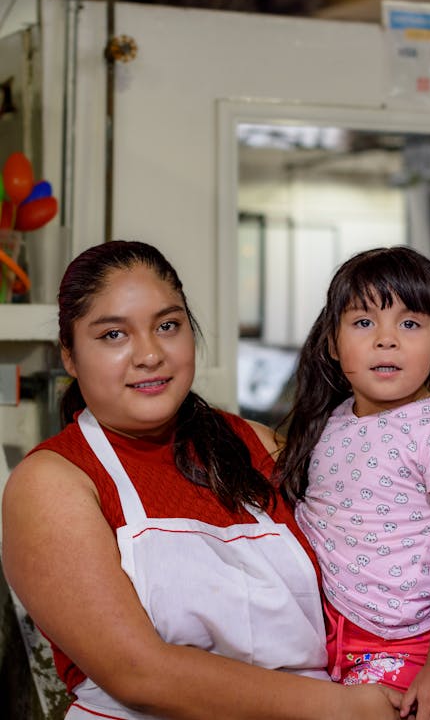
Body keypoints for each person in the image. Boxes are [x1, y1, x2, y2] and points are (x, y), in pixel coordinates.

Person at [1, 240, 402, 720]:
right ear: (69, 355)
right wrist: (340, 708)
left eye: (167, 326)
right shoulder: (53, 481)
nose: (149, 355)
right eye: (113, 335)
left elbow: (377, 565)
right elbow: (137, 672)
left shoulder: (256, 446)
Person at [275, 246, 430, 720]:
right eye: (363, 323)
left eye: (410, 324)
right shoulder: (332, 421)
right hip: (317, 633)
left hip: (398, 644)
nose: (386, 340)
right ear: (332, 344)